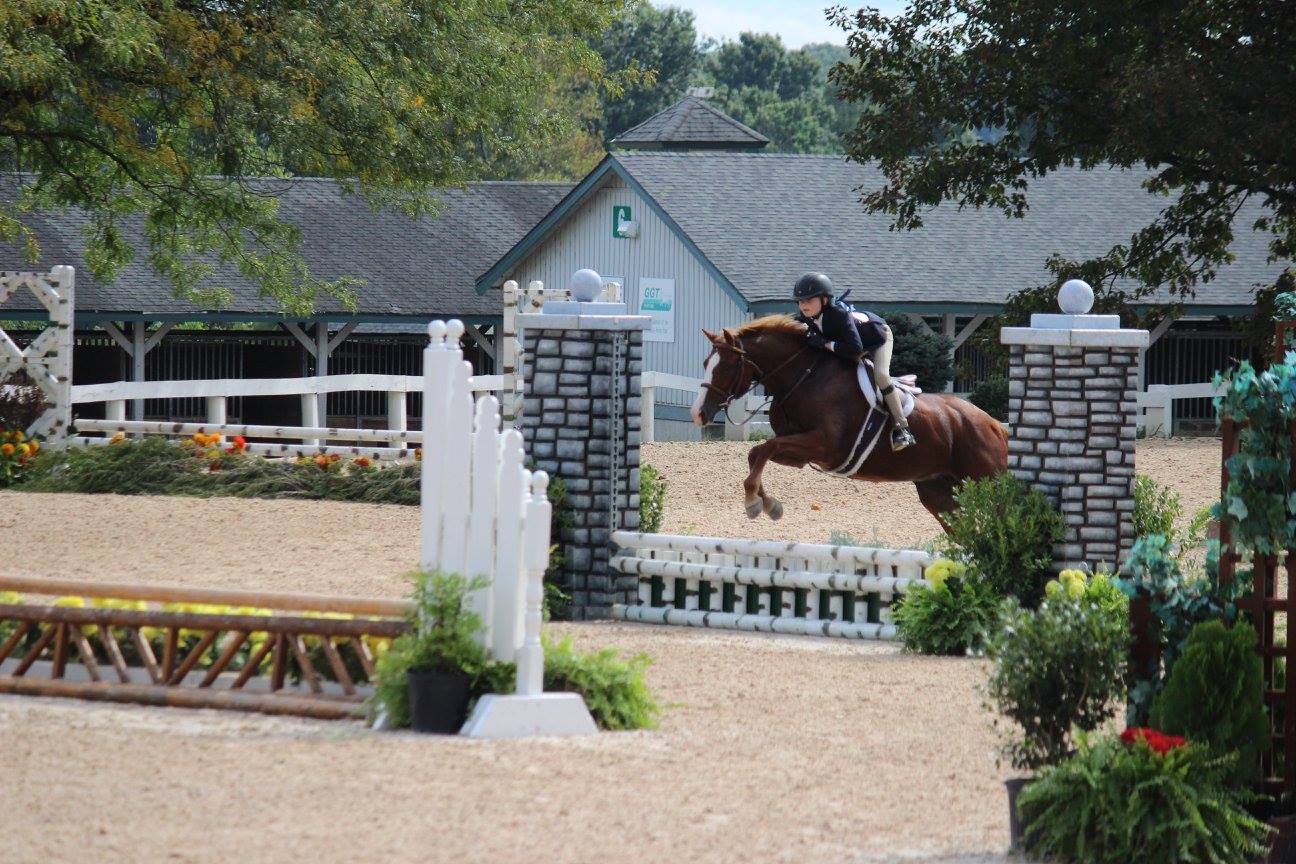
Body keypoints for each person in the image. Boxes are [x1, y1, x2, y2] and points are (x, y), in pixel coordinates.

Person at [792, 272, 917, 451]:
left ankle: (902, 428)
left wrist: (826, 343)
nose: (804, 305)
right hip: (850, 344)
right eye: (801, 301)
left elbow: (855, 349)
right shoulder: (804, 318)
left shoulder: (839, 316)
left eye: (809, 300)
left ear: (825, 300)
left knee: (880, 375)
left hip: (878, 337)